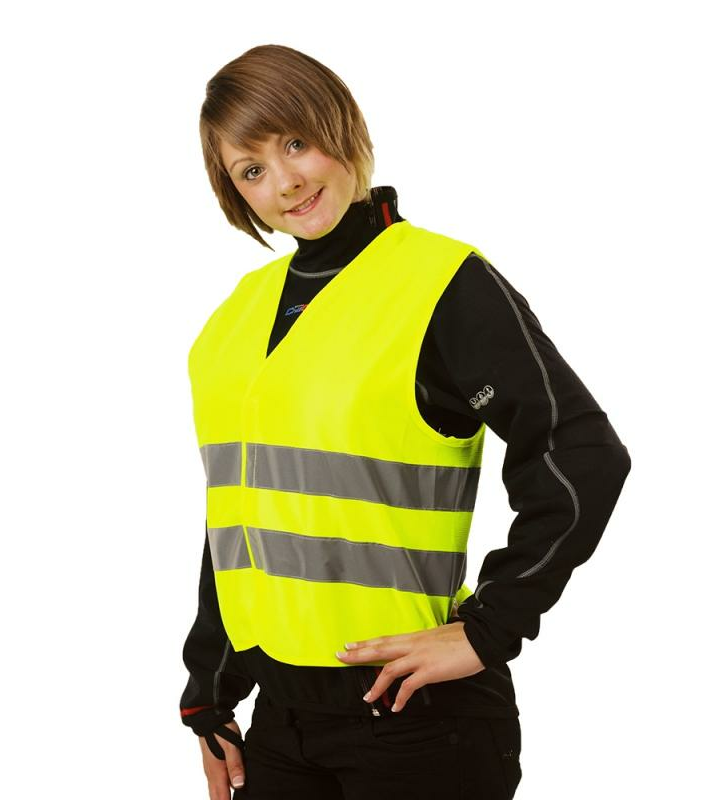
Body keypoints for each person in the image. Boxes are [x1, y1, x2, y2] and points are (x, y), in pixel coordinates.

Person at [179, 44, 631, 800]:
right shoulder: (235, 318)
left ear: (344, 126)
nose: (285, 181)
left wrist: (490, 627)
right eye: (250, 170)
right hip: (281, 719)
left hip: (418, 719)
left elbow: (580, 452)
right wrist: (211, 691)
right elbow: (240, 515)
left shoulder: (442, 282)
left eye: (296, 142)